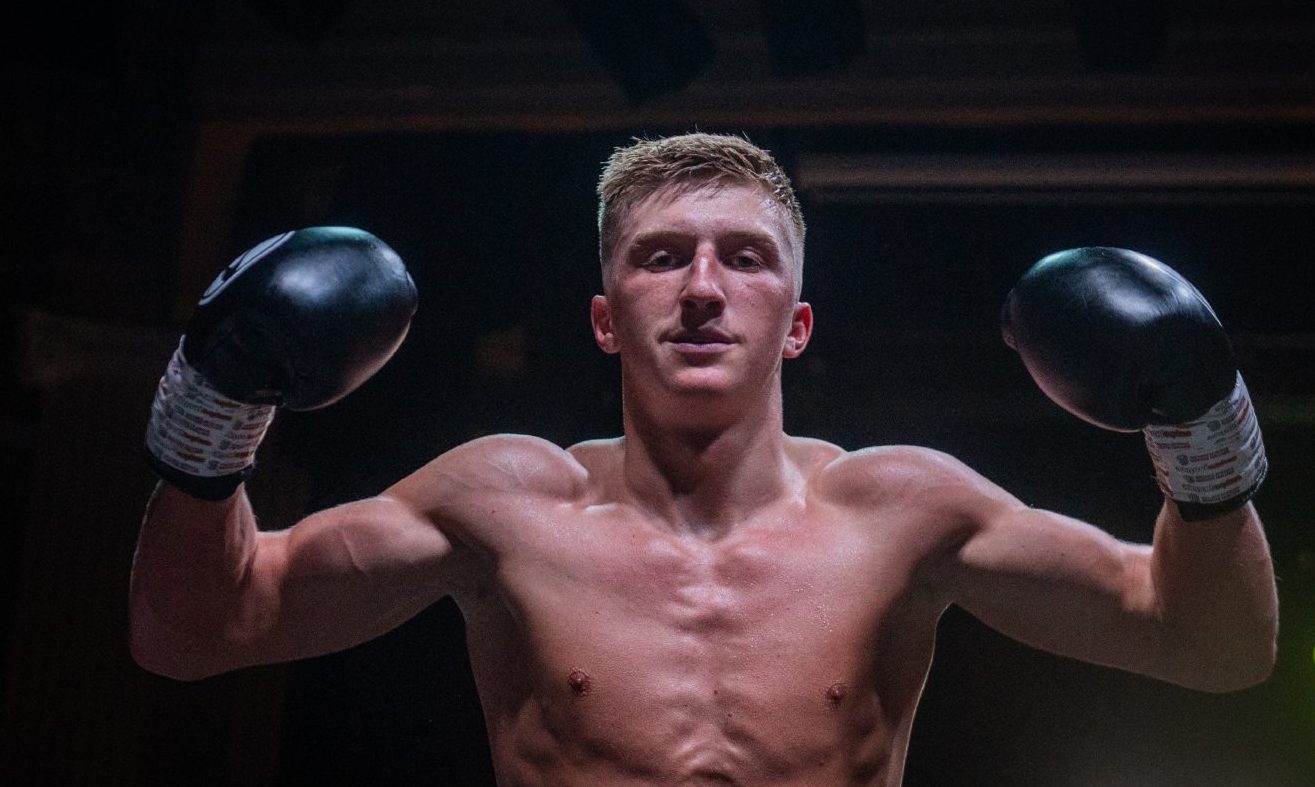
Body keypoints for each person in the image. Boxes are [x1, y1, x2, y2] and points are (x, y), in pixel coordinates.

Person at [130, 133, 1277, 786]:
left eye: (745, 258)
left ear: (797, 323)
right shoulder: (504, 502)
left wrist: (1202, 427)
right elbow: (196, 628)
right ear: (602, 315)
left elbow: (1207, 642)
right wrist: (212, 410)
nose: (701, 289)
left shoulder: (902, 510)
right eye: (661, 256)